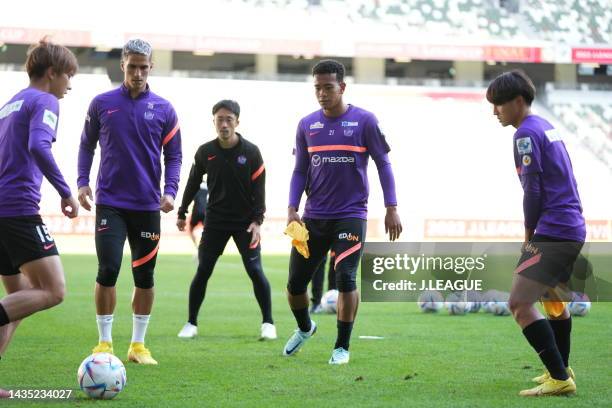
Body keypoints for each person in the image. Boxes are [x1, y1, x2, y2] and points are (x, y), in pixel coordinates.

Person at [283, 59, 402, 364]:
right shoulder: (306, 125)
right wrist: (292, 209)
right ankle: (305, 327)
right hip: (313, 217)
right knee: (295, 285)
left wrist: (392, 207)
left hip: (351, 214)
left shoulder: (364, 121)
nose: (322, 93)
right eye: (317, 88)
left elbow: (383, 164)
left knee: (346, 277)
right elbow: (299, 171)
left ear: (342, 87)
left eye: (328, 87)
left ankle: (341, 346)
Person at [77, 39, 182, 365]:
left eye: (144, 67)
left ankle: (138, 346)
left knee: (145, 277)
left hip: (148, 206)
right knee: (107, 269)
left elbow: (174, 156)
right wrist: (82, 182)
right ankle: (104, 343)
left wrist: (170, 191)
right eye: (132, 66)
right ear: (123, 64)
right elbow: (86, 146)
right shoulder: (101, 103)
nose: (138, 72)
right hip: (110, 203)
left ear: (151, 67)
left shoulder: (164, 109)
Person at [486, 70, 585, 396]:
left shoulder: (525, 135)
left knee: (519, 302)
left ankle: (560, 378)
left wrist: (529, 237)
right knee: (553, 298)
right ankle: (561, 368)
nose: (495, 111)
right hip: (570, 224)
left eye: (498, 104)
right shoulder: (546, 125)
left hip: (554, 229)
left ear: (517, 101)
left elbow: (533, 192)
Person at [0, 39, 79, 397]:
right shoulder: (44, 100)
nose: (70, 85)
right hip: (17, 210)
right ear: (52, 74)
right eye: (68, 76)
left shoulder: (10, 103)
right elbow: (38, 145)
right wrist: (66, 191)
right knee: (52, 290)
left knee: (17, 303)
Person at [176, 100, 276, 340]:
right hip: (216, 223)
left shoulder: (251, 152)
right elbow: (192, 182)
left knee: (255, 270)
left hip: (245, 224)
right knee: (203, 271)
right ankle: (191, 323)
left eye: (229, 119)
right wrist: (181, 211)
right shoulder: (205, 152)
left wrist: (257, 221)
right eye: (219, 119)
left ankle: (268, 323)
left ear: (237, 122)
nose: (224, 124)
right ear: (214, 122)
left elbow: (259, 189)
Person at [188, 181, 208, 247]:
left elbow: (190, 198)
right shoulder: (208, 187)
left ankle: (197, 247)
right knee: (207, 232)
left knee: (191, 230)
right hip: (205, 212)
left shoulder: (196, 186)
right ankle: (203, 246)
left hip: (196, 212)